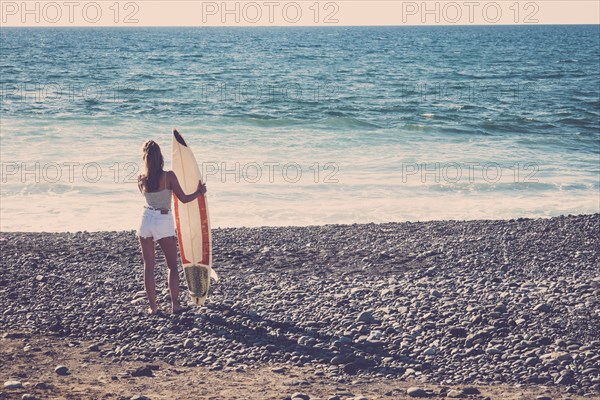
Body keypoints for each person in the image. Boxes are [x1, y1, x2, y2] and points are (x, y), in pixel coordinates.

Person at [136, 139, 206, 315]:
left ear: (144, 158)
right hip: (162, 220)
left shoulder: (140, 178)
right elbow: (183, 198)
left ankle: (153, 308)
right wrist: (199, 192)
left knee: (149, 266)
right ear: (160, 156)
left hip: (145, 220)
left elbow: (149, 196)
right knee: (172, 266)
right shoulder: (168, 176)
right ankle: (175, 305)